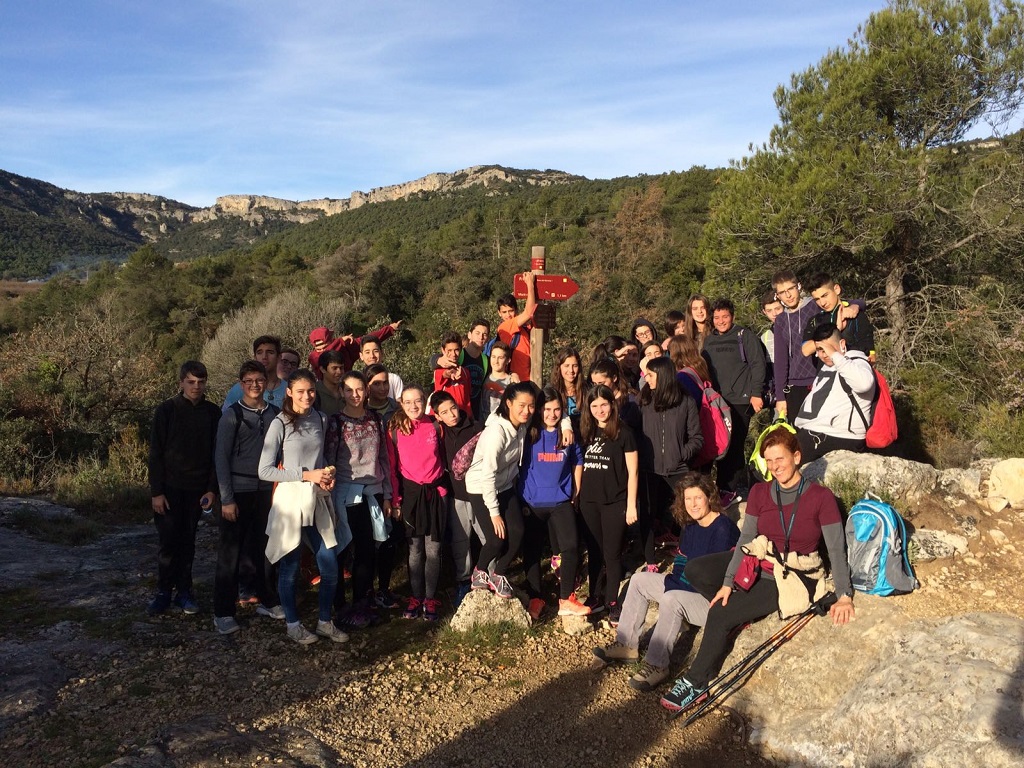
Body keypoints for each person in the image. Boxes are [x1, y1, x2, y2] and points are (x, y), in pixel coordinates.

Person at [660, 426, 855, 711]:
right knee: (695, 569)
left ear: (796, 457)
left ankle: (697, 682)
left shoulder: (820, 497)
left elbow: (836, 548)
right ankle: (740, 608)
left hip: (789, 573)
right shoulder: (761, 492)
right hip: (758, 559)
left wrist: (844, 594)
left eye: (780, 459)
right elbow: (745, 540)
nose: (775, 467)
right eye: (769, 460)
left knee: (720, 613)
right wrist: (728, 582)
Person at [593, 472, 739, 691]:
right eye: (688, 499)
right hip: (684, 587)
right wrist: (673, 584)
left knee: (671, 598)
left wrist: (673, 587)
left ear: (709, 497)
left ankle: (657, 664)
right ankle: (626, 644)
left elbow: (710, 578)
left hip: (710, 600)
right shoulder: (691, 525)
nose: (693, 504)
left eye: (698, 498)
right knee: (639, 580)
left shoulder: (723, 529)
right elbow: (681, 563)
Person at [258, 369, 348, 645]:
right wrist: (306, 474)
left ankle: (324, 622)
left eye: (310, 391)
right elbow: (265, 470)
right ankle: (293, 625)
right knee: (290, 565)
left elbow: (320, 459)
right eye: (300, 391)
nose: (307, 396)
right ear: (289, 392)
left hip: (316, 498)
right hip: (290, 500)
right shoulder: (280, 423)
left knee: (329, 564)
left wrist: (327, 475)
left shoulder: (321, 418)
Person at [212, 361, 283, 634]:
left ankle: (268, 600)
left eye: (259, 380)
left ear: (266, 382)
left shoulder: (275, 414)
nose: (255, 385)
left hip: (266, 492)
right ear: (241, 384)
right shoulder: (232, 415)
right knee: (230, 554)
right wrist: (226, 499)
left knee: (265, 549)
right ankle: (223, 612)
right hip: (237, 493)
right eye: (249, 381)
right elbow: (221, 458)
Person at [147, 361, 221, 616]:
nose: (196, 386)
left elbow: (217, 455)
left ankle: (185, 592)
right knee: (168, 542)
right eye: (191, 382)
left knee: (188, 541)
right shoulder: (166, 410)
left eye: (200, 382)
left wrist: (211, 489)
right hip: (169, 489)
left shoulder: (213, 413)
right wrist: (157, 492)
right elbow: (156, 453)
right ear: (181, 383)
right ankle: (163, 592)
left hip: (197, 490)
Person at [323, 370, 394, 629]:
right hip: (345, 492)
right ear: (341, 392)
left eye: (360, 389)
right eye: (349, 390)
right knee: (342, 549)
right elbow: (329, 460)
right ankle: (340, 606)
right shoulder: (336, 422)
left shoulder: (375, 419)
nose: (355, 395)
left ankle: (361, 603)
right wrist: (329, 498)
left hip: (372, 490)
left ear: (366, 391)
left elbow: (383, 457)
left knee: (366, 550)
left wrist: (387, 494)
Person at [518, 387, 590, 619]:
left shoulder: (567, 434)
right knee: (533, 551)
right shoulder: (529, 433)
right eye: (547, 409)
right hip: (533, 502)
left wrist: (576, 490)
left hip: (561, 500)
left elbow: (577, 459)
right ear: (539, 410)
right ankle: (535, 598)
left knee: (570, 547)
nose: (552, 414)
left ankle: (566, 598)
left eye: (557, 409)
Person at [464, 382, 537, 599]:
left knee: (518, 532)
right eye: (521, 405)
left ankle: (498, 573)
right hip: (481, 486)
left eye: (531, 406)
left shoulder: (521, 426)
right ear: (509, 404)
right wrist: (494, 513)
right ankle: (479, 571)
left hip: (504, 485)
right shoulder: (496, 433)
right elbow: (487, 475)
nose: (527, 411)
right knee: (496, 540)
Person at [577, 384, 639, 622]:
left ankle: (612, 601)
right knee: (594, 552)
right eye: (594, 406)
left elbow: (633, 472)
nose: (600, 410)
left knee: (612, 554)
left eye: (604, 404)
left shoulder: (624, 433)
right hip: (589, 502)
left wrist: (631, 505)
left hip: (615, 501)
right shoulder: (586, 431)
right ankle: (595, 596)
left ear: (612, 404)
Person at [389, 385, 449, 621]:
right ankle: (416, 596)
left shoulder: (436, 425)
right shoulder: (395, 430)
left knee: (434, 549)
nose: (413, 406)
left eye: (418, 401)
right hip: (411, 496)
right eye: (408, 402)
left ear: (425, 402)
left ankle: (430, 597)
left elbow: (445, 456)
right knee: (415, 549)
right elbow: (393, 470)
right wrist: (396, 500)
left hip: (436, 493)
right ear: (401, 404)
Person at [637, 357, 704, 567]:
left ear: (663, 375)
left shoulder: (686, 402)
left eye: (650, 375)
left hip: (678, 467)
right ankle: (650, 560)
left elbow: (697, 437)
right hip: (649, 468)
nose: (646, 379)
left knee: (688, 510)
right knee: (647, 513)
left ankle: (684, 552)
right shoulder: (643, 401)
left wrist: (681, 454)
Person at [701, 298, 766, 500]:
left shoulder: (744, 336)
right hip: (717, 401)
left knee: (735, 445)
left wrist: (756, 393)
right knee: (719, 444)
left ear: (733, 316)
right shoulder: (709, 340)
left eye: (725, 316)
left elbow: (758, 364)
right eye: (717, 317)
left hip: (740, 400)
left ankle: (729, 490)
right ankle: (719, 488)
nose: (721, 321)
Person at [430, 390, 485, 607]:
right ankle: (463, 581)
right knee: (460, 541)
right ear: (437, 416)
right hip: (456, 495)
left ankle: (491, 575)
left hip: (480, 493)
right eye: (444, 412)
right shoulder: (439, 433)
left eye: (453, 408)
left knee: (487, 537)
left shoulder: (476, 428)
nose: (452, 414)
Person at [793, 323, 876, 463]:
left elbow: (864, 384)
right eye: (819, 350)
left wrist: (835, 355)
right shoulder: (827, 366)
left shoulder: (857, 363)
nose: (824, 354)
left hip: (841, 435)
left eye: (828, 348)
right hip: (813, 431)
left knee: (786, 458)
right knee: (775, 450)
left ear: (842, 344)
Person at [800, 272, 874, 364]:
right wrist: (836, 329)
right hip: (825, 372)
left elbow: (871, 357)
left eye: (825, 295)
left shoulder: (855, 315)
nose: (822, 303)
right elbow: (806, 350)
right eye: (817, 299)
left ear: (836, 289)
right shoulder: (815, 320)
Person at [308, 320, 403, 378]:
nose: (321, 349)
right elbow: (322, 358)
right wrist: (340, 342)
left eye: (324, 346)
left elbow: (367, 340)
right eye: (318, 347)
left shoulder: (346, 347)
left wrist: (390, 329)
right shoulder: (314, 357)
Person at [223, 336, 287, 411]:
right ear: (255, 357)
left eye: (270, 352)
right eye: (259, 353)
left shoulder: (288, 389)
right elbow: (226, 415)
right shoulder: (240, 389)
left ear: (279, 357)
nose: (264, 357)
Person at [496, 272, 536, 382]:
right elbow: (529, 312)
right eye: (504, 312)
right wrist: (530, 284)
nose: (508, 315)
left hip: (529, 379)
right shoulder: (504, 327)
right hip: (515, 380)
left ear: (516, 310)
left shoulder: (524, 326)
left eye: (511, 311)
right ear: (499, 313)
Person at [588, 358, 641, 435]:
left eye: (601, 383)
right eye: (594, 384)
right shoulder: (594, 400)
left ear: (614, 378)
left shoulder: (630, 401)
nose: (598, 387)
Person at [433, 331, 472, 414]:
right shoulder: (438, 370)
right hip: (444, 419)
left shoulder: (465, 372)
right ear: (443, 350)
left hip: (462, 418)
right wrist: (449, 373)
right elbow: (445, 374)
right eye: (449, 350)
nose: (453, 354)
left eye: (456, 350)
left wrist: (470, 417)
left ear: (461, 350)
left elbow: (467, 400)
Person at [482, 339, 520, 416]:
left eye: (500, 358)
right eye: (493, 357)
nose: (496, 361)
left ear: (508, 360)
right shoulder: (484, 375)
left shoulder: (512, 382)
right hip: (483, 422)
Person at [549, 345, 584, 418]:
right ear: (559, 367)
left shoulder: (586, 390)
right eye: (567, 366)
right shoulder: (551, 390)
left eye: (575, 366)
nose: (571, 370)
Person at [314, 350, 346, 416]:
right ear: (323, 369)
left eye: (341, 368)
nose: (339, 372)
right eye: (334, 368)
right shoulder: (314, 392)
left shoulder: (347, 390)